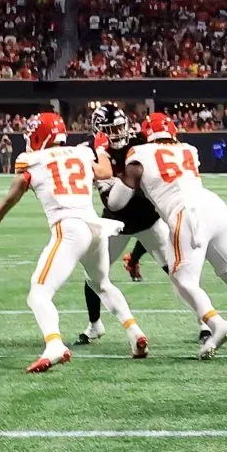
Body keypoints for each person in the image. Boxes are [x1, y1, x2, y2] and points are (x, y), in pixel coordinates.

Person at [106, 112, 227, 359]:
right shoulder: (188, 149)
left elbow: (116, 203)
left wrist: (115, 179)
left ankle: (217, 324)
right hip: (213, 205)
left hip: (186, 212)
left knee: (182, 281)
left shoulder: (139, 154)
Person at [0, 112, 148, 372]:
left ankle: (54, 345)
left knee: (38, 293)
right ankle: (135, 333)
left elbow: (9, 200)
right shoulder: (82, 153)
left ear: (39, 136)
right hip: (95, 228)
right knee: (102, 284)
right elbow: (105, 172)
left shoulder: (31, 161)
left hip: (69, 229)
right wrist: (102, 148)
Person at [76, 104, 176, 346]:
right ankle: (94, 325)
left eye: (121, 126)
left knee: (176, 271)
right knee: (93, 276)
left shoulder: (140, 142)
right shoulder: (89, 151)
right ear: (99, 130)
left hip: (147, 219)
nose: (119, 132)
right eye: (112, 129)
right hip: (115, 223)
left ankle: (204, 322)